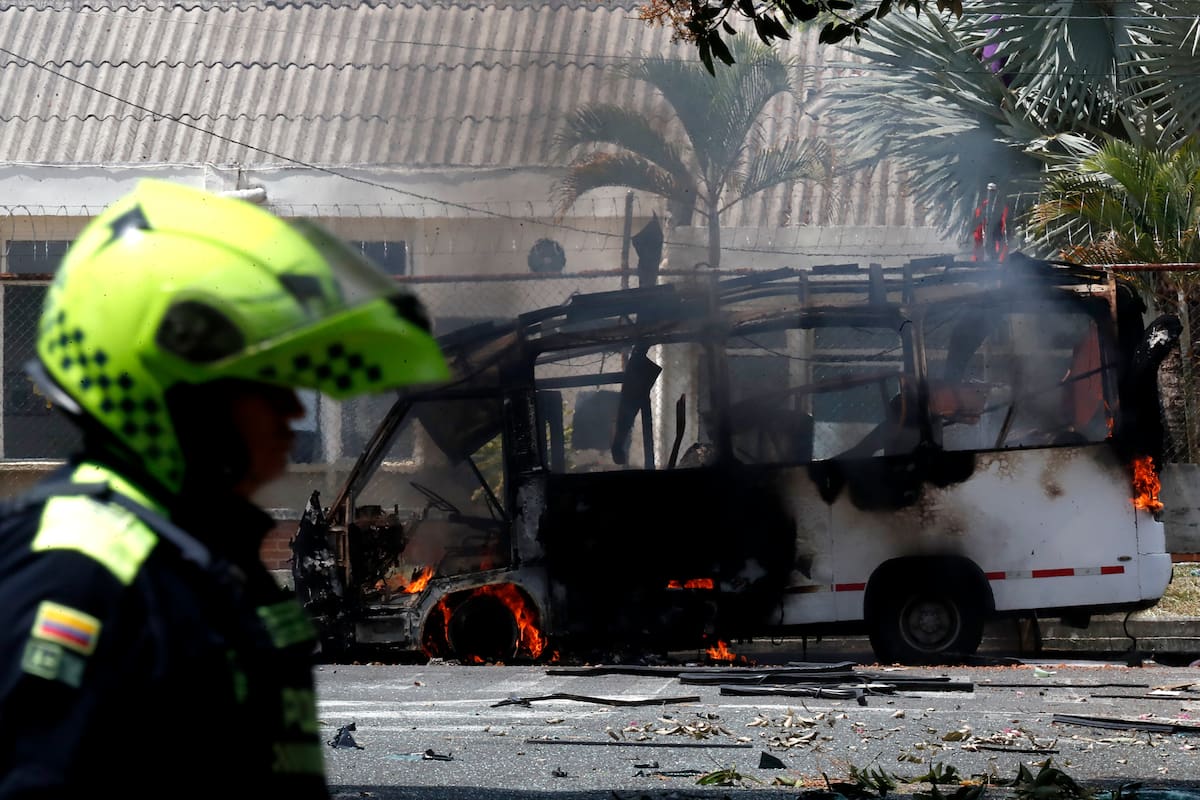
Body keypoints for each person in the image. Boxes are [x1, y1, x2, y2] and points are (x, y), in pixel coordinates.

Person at [0, 180, 449, 798]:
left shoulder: (202, 561)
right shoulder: (79, 571)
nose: (293, 411)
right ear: (177, 394)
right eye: (267, 382)